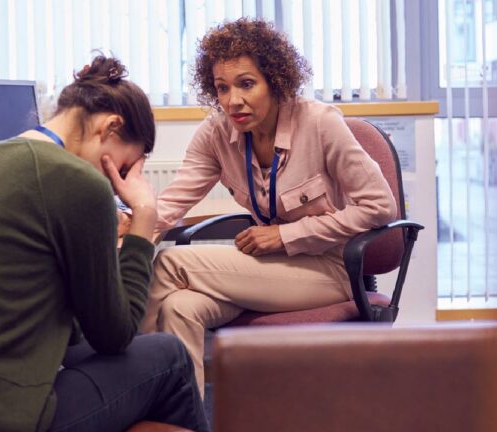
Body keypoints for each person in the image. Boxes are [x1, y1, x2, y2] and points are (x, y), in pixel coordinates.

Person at [0, 55, 208, 432]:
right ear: (111, 127)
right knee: (169, 354)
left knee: (96, 347)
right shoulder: (78, 183)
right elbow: (115, 335)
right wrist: (144, 216)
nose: (120, 184)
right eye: (124, 167)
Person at [140, 18, 398, 395]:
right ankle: (184, 419)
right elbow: (173, 201)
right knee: (179, 307)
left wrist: (286, 234)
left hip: (329, 269)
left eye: (246, 84)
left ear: (276, 82)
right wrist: (128, 224)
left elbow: (380, 207)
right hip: (267, 271)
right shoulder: (216, 133)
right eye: (222, 88)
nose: (233, 101)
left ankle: (132, 384)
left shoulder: (321, 123)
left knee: (168, 263)